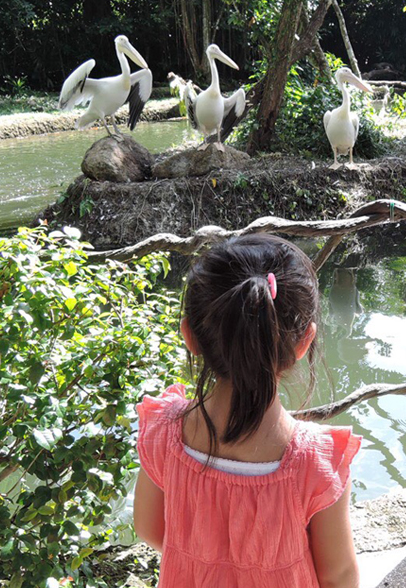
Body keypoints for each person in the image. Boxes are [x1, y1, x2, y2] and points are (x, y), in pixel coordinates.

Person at [132, 234, 362, 588]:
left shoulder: (162, 431)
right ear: (304, 342)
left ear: (189, 336)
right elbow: (338, 575)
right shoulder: (318, 463)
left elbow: (149, 529)